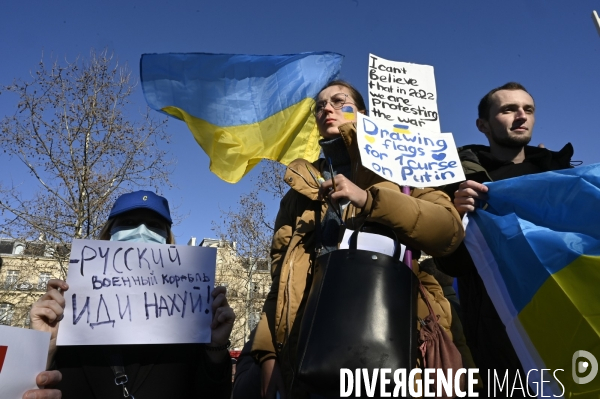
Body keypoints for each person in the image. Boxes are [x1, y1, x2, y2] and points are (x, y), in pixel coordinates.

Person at [251, 80, 466, 398]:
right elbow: (279, 282)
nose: (327, 109)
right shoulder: (299, 193)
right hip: (310, 361)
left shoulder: (402, 166)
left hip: (398, 355)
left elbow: (448, 231)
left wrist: (370, 200)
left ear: (362, 113)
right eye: (320, 106)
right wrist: (268, 357)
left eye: (339, 102)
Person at [24, 190, 235, 399]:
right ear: (108, 235)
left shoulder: (191, 321)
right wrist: (46, 346)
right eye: (128, 222)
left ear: (169, 242)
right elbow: (34, 388)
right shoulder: (70, 317)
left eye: (154, 226)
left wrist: (215, 349)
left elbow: (212, 393)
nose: (141, 231)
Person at [434, 82, 573, 395]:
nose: (521, 116)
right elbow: (453, 264)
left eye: (528, 110)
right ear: (482, 125)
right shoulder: (461, 182)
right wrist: (458, 218)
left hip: (564, 316)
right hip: (500, 329)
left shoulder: (561, 177)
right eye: (509, 109)